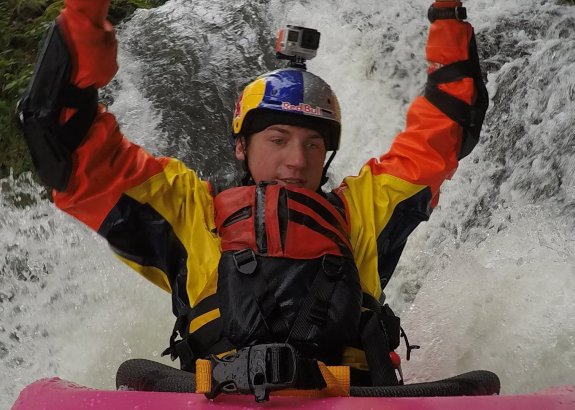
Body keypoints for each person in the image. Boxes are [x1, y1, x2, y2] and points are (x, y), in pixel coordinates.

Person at [18, 0, 488, 390]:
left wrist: (447, 15)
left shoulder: (364, 212)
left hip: (351, 398)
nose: (296, 160)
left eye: (313, 144)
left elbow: (446, 129)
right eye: (277, 139)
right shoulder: (188, 212)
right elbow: (67, 147)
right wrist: (85, 13)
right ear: (242, 147)